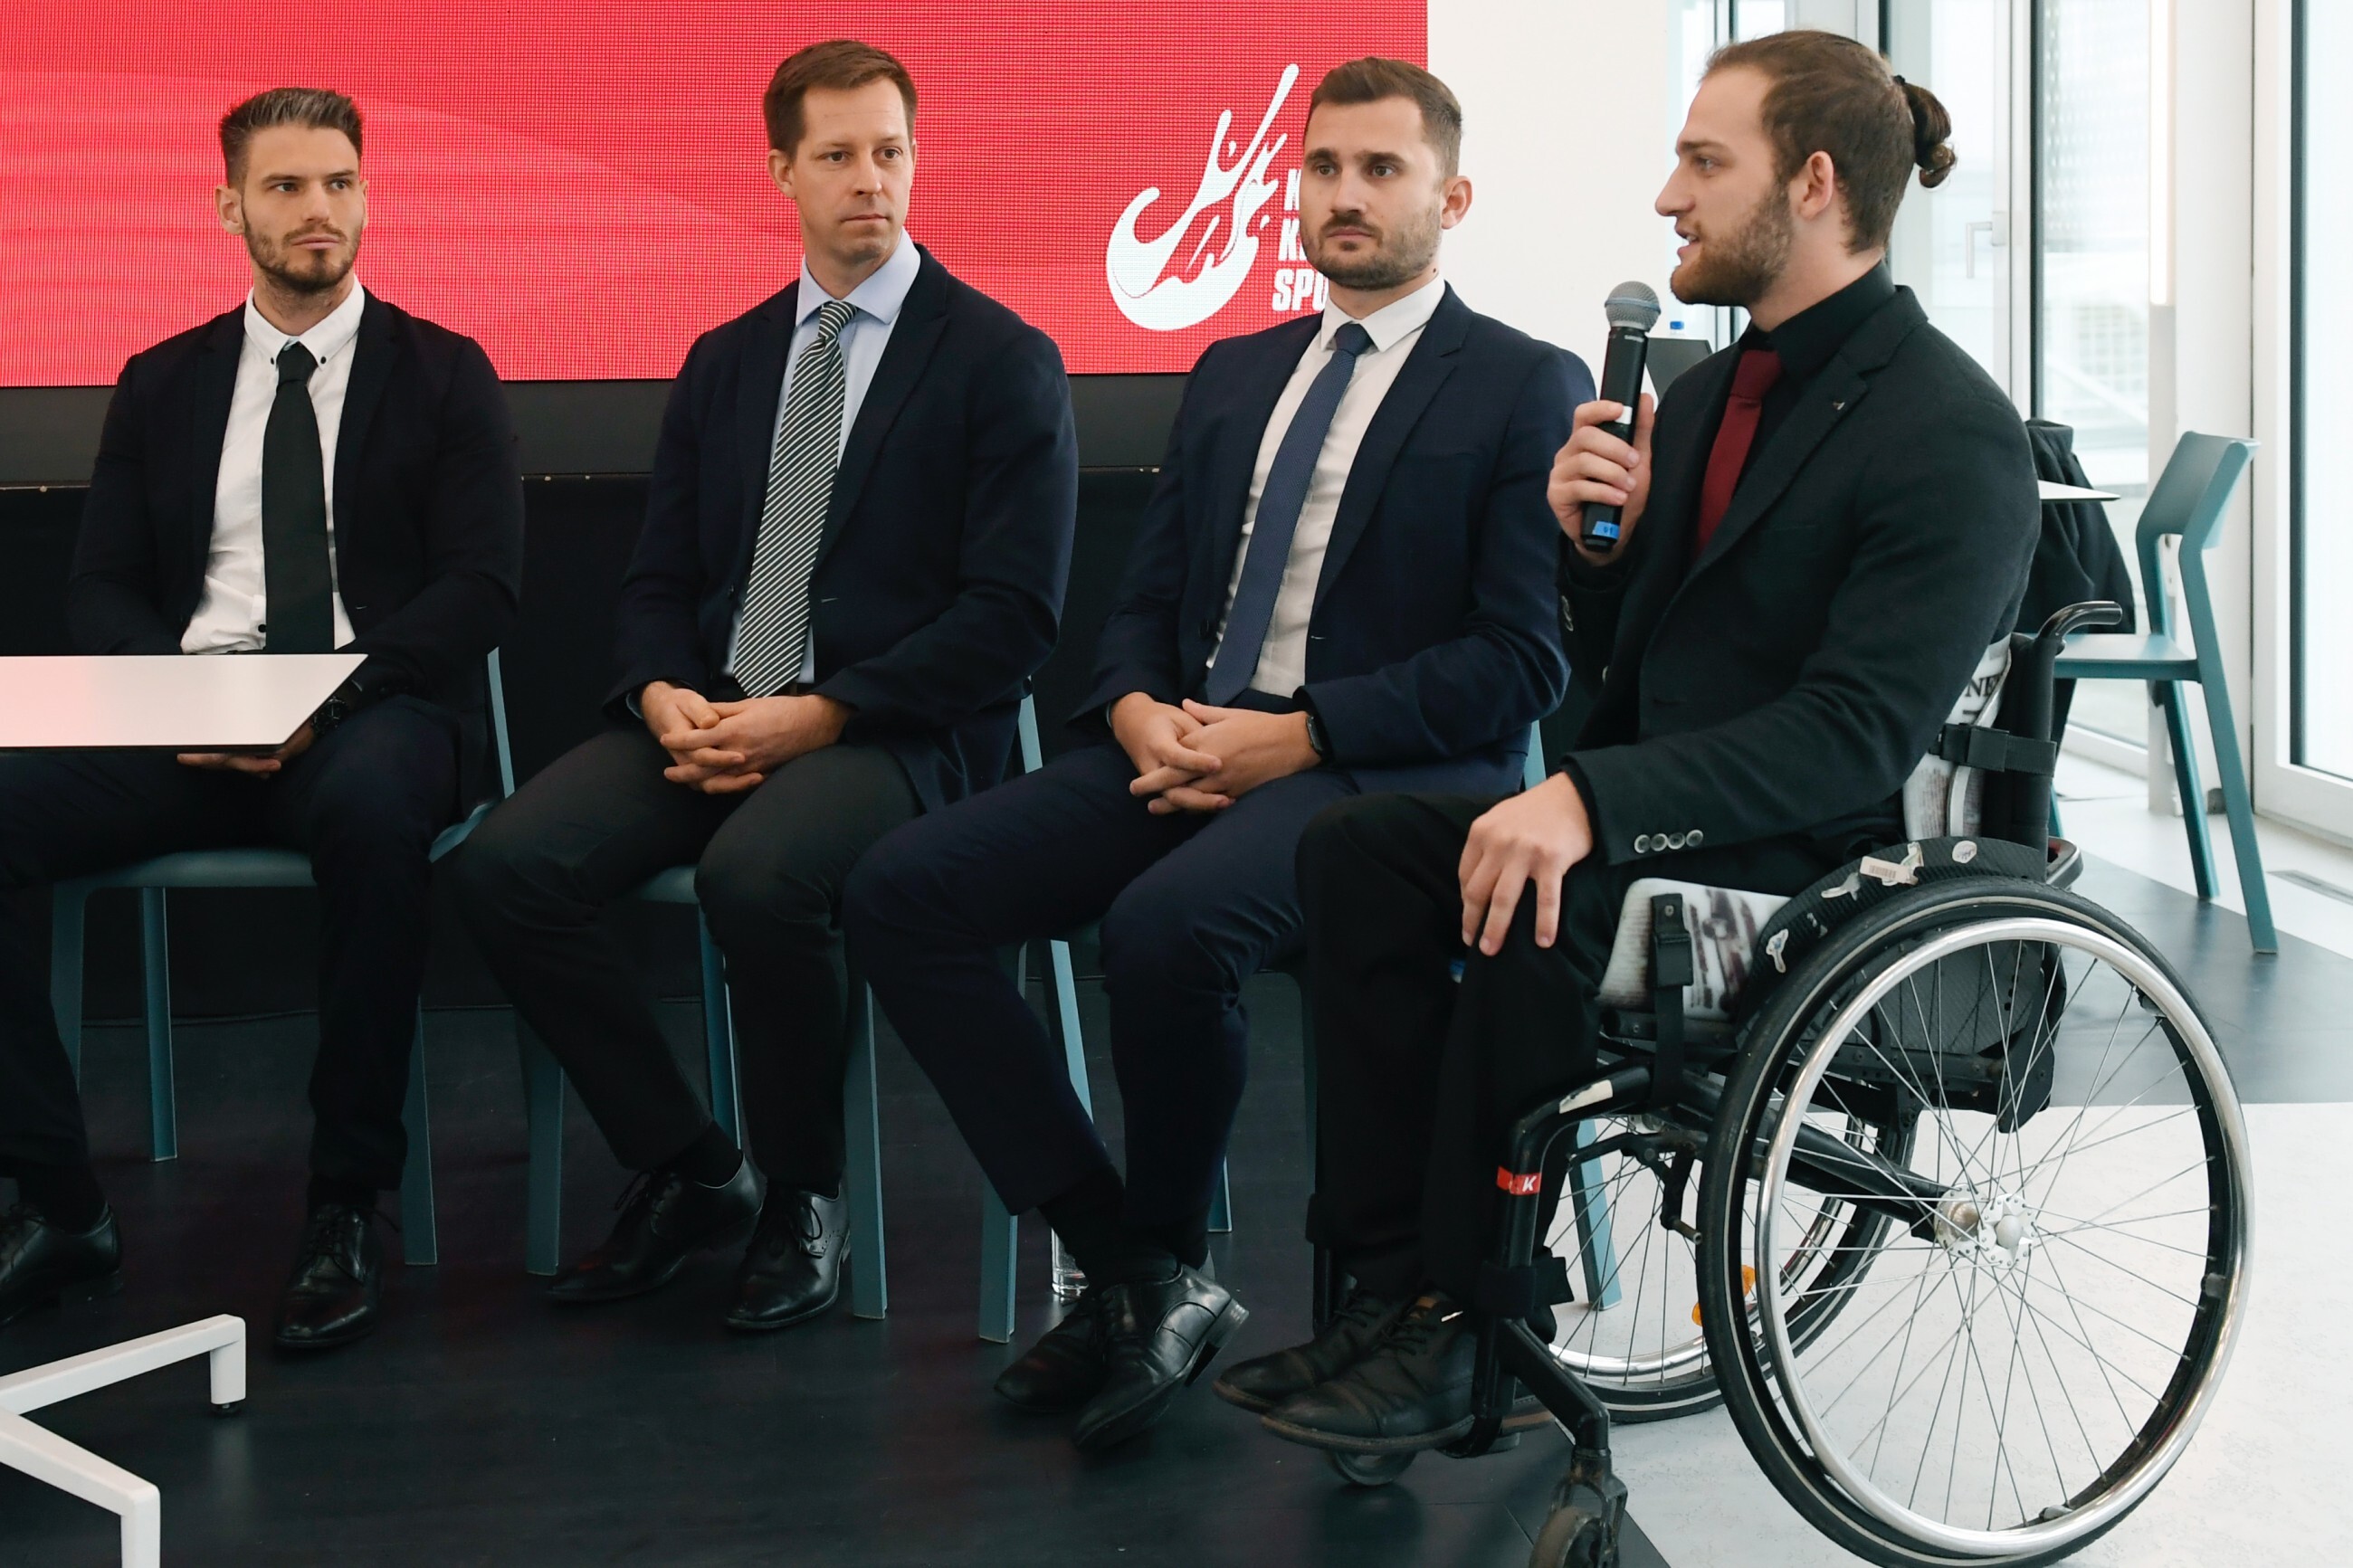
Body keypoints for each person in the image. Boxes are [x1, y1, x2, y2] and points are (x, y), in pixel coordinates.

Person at [1231, 30, 2041, 1459]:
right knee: (1360, 851)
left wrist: (1589, 803)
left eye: (1702, 163)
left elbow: (1853, 736)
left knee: (1545, 891)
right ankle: (1387, 1285)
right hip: (1674, 829)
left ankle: (1469, 1317)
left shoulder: (1948, 432)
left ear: (1812, 183)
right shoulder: (1717, 393)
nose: (1669, 197)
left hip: (1803, 880)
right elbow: (1655, 666)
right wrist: (1598, 559)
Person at [845, 57, 1586, 1452]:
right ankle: (1134, 1268)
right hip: (1190, 744)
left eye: (1381, 169)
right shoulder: (1237, 371)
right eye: (1325, 167)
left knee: (1165, 930)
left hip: (1381, 780)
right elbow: (1146, 598)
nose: (1345, 194)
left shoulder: (1521, 382)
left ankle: (1163, 1250)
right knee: (902, 890)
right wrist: (1135, 707)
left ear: (1453, 199)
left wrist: (1301, 735)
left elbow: (1517, 662)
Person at [455, 40, 1077, 1335]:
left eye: (890, 151)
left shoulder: (999, 357)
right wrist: (659, 691)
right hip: (720, 708)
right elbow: (659, 577)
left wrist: (829, 711)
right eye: (838, 155)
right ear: (781, 171)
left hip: (894, 732)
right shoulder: (728, 359)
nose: (871, 180)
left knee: (758, 877)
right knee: (505, 865)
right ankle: (694, 1168)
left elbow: (1012, 618)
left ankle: (805, 1193)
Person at [0, 88, 524, 1350]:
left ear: (366, 195)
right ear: (229, 207)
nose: (317, 210)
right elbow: (100, 588)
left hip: (372, 710)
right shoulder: (161, 382)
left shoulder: (446, 373)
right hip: (190, 717)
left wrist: (321, 698)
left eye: (338, 182)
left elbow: (482, 588)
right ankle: (61, 1202)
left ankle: (346, 1203)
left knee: (373, 814)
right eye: (285, 187)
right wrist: (188, 695)